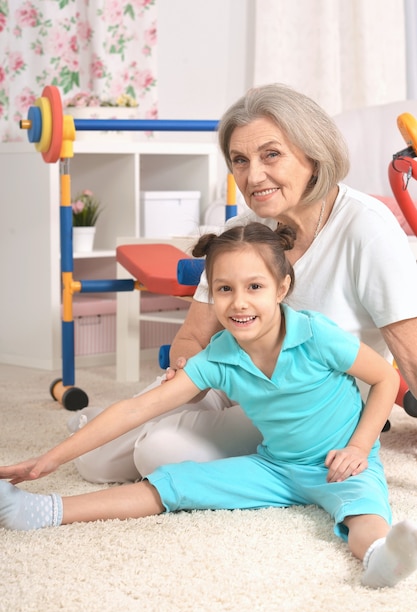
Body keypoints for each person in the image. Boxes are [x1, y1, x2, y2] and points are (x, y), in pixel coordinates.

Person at [1, 222, 416, 590]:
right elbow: (136, 409)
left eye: (255, 287)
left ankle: (379, 559)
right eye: (224, 289)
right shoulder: (219, 356)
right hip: (274, 468)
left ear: (282, 288)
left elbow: (385, 377)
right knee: (169, 483)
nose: (239, 303)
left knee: (365, 516)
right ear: (211, 293)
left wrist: (360, 448)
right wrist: (45, 462)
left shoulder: (317, 335)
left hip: (341, 465)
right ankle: (41, 510)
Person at [66, 82, 417, 485]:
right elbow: (193, 337)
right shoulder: (241, 230)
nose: (254, 175)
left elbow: (409, 351)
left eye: (271, 155)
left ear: (314, 157)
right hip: (230, 380)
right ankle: (145, 424)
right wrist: (183, 380)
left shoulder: (366, 227)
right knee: (94, 461)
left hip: (305, 409)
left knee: (156, 452)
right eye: (240, 160)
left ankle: (180, 435)